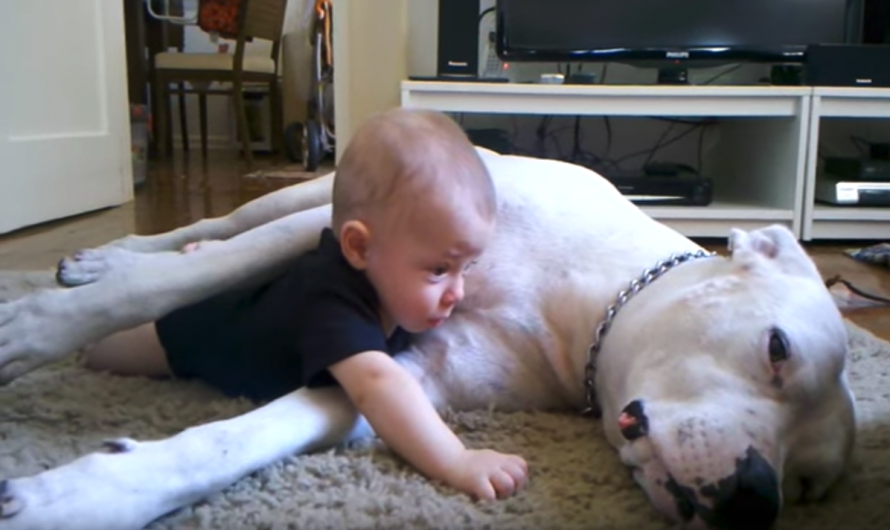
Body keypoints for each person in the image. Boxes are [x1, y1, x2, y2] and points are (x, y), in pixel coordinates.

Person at [80, 108, 528, 502]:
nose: (458, 292)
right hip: (191, 330)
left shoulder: (391, 278)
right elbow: (376, 384)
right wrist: (456, 460)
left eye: (466, 267)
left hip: (258, 303)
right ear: (357, 247)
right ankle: (110, 301)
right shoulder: (334, 298)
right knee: (102, 350)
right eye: (439, 270)